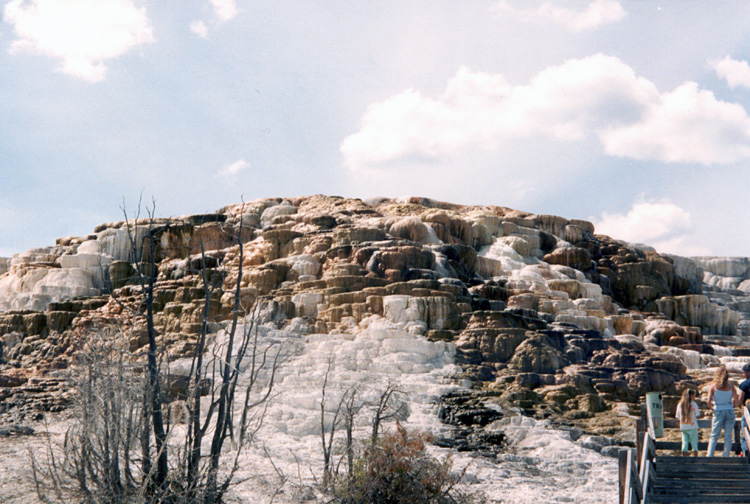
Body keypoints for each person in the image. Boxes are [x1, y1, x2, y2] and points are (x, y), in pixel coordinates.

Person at [706, 365, 740, 457]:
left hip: (718, 410)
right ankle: (726, 456)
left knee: (714, 435)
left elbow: (708, 401)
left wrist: (713, 408)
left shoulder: (713, 387)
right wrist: (732, 406)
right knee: (728, 436)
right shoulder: (731, 387)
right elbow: (737, 401)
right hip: (729, 410)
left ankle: (710, 455)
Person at [676, 388, 700, 456]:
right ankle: (695, 456)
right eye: (694, 395)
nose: (694, 397)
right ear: (691, 396)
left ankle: (684, 456)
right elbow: (697, 415)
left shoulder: (680, 404)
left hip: (683, 426)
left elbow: (677, 416)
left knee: (684, 442)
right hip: (692, 426)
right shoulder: (693, 404)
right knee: (694, 442)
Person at [737, 362, 750, 455]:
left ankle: (745, 454)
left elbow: (740, 399)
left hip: (747, 412)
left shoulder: (744, 384)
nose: (743, 374)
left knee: (744, 434)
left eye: (744, 372)